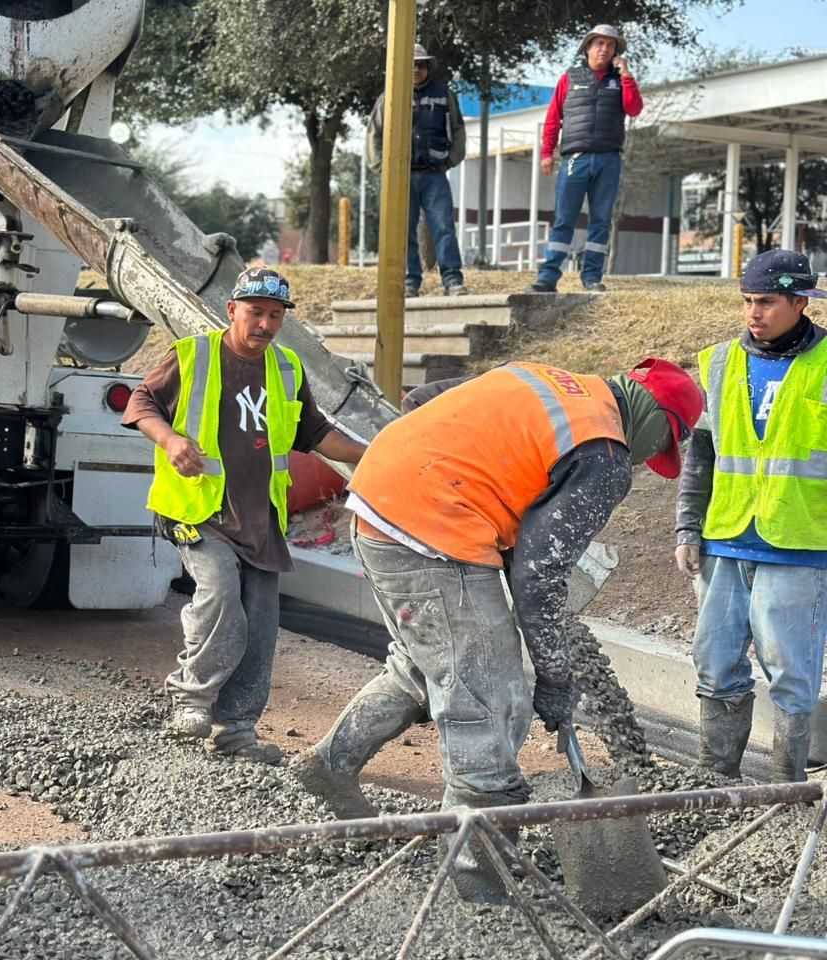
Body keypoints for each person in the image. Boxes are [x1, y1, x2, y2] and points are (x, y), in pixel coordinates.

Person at [295, 357, 702, 903]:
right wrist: (554, 679)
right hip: (433, 526)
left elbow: (425, 402)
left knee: (426, 664)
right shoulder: (605, 453)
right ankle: (478, 875)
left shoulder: (546, 379)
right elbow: (538, 576)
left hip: (381, 499)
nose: (654, 459)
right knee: (490, 691)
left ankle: (331, 764)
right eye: (664, 444)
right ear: (656, 416)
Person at [124, 268, 367, 763]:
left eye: (275, 315)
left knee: (260, 626)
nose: (265, 323)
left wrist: (376, 451)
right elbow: (141, 402)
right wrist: (170, 440)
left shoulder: (286, 369)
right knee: (219, 596)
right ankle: (191, 699)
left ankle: (236, 731)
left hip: (261, 518)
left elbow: (316, 434)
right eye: (255, 312)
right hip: (200, 511)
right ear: (232, 310)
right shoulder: (193, 355)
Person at [676, 249, 827, 783]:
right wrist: (687, 527)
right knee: (715, 667)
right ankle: (715, 781)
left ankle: (787, 789)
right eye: (746, 301)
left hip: (800, 544)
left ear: (799, 301)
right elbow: (701, 455)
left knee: (792, 676)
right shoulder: (719, 362)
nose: (753, 313)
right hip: (726, 538)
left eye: (765, 302)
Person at [528, 24, 642, 294]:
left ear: (616, 52)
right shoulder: (569, 78)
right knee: (564, 219)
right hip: (574, 159)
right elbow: (553, 119)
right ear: (588, 48)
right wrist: (547, 153)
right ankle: (548, 277)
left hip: (609, 160)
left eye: (610, 45)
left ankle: (592, 277)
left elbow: (634, 108)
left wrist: (626, 75)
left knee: (601, 220)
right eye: (599, 43)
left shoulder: (620, 81)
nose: (604, 49)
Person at [367, 43, 467, 298]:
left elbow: (458, 130)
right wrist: (382, 168)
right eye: (410, 64)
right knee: (403, 232)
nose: (415, 69)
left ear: (427, 68)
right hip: (400, 177)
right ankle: (410, 282)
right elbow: (374, 135)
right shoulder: (389, 97)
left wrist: (452, 159)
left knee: (443, 227)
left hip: (435, 173)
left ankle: (453, 281)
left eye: (420, 64)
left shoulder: (444, 94)